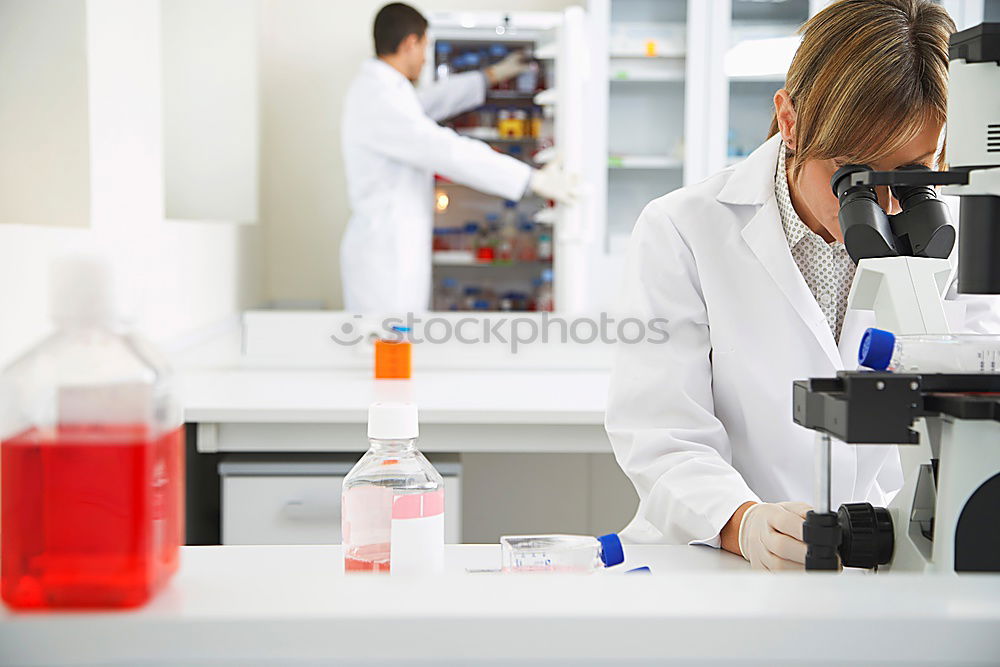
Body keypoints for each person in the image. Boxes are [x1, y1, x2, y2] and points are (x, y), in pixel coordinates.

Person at [605, 0, 1000, 571]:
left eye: (913, 173)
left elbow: (980, 397)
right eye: (854, 176)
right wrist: (744, 522)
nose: (887, 207)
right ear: (790, 121)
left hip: (895, 567)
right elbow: (661, 432)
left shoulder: (961, 241)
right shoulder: (682, 229)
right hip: (721, 565)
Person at [340, 3, 575, 314]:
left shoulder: (387, 92)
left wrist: (491, 76)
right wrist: (530, 179)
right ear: (411, 43)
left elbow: (429, 104)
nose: (425, 59)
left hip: (393, 245)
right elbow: (444, 149)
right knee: (387, 348)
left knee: (395, 345)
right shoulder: (379, 98)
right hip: (385, 256)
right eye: (424, 47)